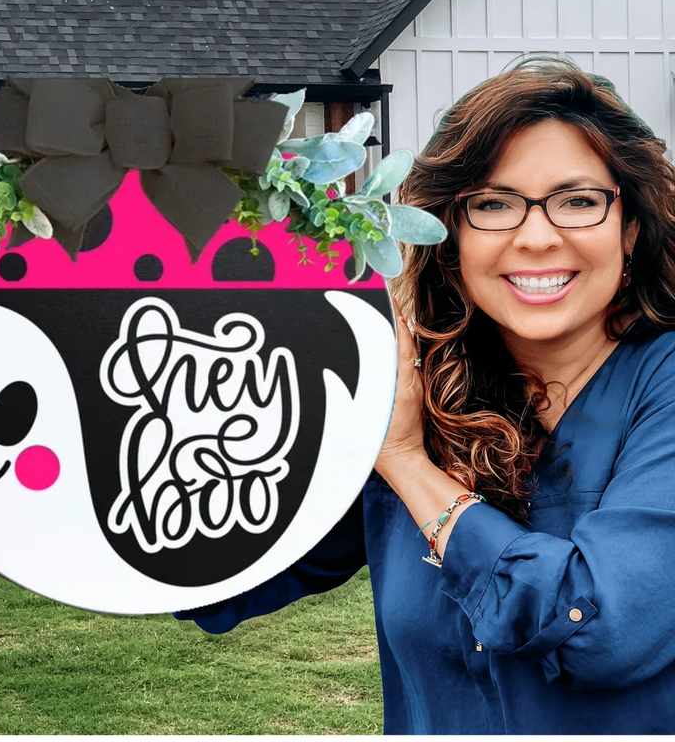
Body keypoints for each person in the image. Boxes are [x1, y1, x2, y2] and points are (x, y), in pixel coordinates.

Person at [175, 56, 675, 735]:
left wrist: (409, 463)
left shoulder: (660, 388)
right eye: (493, 204)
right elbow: (226, 569)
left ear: (632, 226)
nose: (536, 236)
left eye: (578, 201)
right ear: (451, 236)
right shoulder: (415, 388)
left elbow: (603, 629)